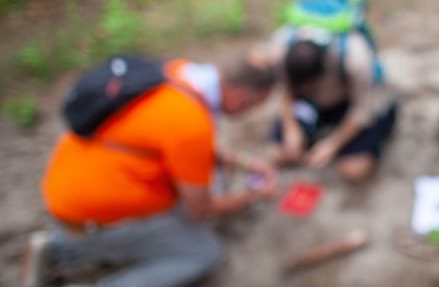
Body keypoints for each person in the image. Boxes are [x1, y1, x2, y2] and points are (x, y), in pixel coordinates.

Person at [27, 54, 279, 287]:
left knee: (179, 210)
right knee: (203, 252)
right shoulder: (192, 124)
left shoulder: (177, 73)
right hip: (92, 218)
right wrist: (253, 196)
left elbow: (170, 144)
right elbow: (200, 209)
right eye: (254, 104)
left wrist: (244, 163)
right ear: (239, 97)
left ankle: (58, 247)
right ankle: (81, 252)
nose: (252, 111)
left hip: (67, 192)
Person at [263, 27, 398, 183]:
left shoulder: (355, 59)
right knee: (280, 154)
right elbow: (285, 92)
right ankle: (312, 131)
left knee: (354, 170)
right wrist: (291, 128)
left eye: (308, 84)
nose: (303, 89)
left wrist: (332, 145)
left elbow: (362, 110)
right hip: (313, 104)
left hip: (351, 102)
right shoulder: (278, 52)